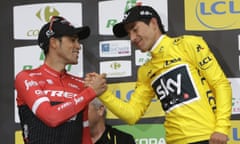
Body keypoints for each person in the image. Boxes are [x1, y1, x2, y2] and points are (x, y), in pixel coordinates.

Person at [85, 5, 232, 144]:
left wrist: (221, 128)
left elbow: (220, 84)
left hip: (206, 137)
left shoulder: (188, 44)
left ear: (153, 23)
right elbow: (132, 115)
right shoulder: (145, 70)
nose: (132, 38)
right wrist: (103, 93)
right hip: (173, 140)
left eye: (135, 29)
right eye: (129, 33)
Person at [15, 16, 107, 144]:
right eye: (73, 40)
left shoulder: (80, 84)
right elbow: (51, 117)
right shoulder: (26, 77)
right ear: (54, 43)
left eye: (78, 41)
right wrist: (91, 92)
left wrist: (89, 92)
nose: (78, 46)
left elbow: (85, 136)